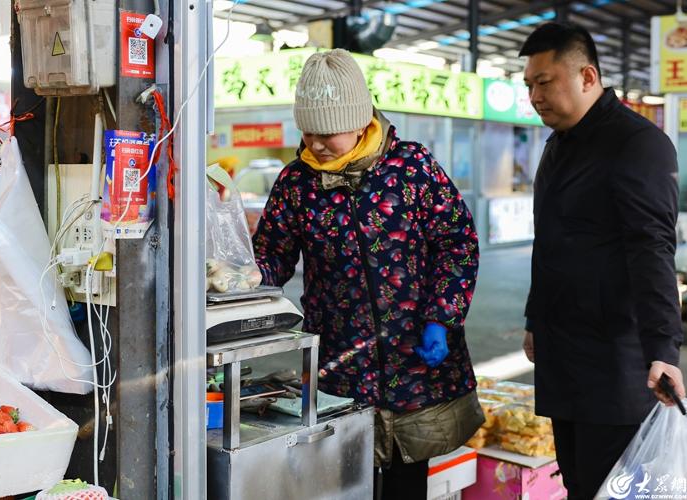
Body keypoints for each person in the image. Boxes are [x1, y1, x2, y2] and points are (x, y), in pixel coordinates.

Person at [252, 49, 484, 499]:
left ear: (360, 121)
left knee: (404, 480)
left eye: (329, 132)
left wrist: (442, 317)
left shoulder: (411, 168)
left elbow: (457, 242)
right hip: (341, 364)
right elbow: (272, 257)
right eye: (308, 131)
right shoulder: (296, 183)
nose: (316, 144)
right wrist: (236, 277)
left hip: (416, 357)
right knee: (342, 480)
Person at [519, 22, 686, 499]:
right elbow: (551, 243)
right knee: (575, 482)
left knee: (610, 487)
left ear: (587, 77)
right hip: (563, 353)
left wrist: (663, 348)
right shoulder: (558, 145)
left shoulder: (637, 145)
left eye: (544, 82)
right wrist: (536, 318)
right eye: (528, 84)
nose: (534, 95)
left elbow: (652, 248)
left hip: (614, 364)